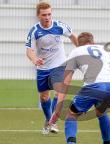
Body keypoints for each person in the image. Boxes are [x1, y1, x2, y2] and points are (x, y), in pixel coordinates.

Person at [25, 1, 78, 134]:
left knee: (59, 90)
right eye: (44, 15)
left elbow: (73, 37)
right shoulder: (34, 31)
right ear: (38, 15)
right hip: (43, 68)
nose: (47, 17)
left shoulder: (60, 26)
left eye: (49, 14)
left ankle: (53, 122)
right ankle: (48, 120)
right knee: (44, 97)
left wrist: (82, 50)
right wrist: (34, 59)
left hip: (59, 65)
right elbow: (29, 50)